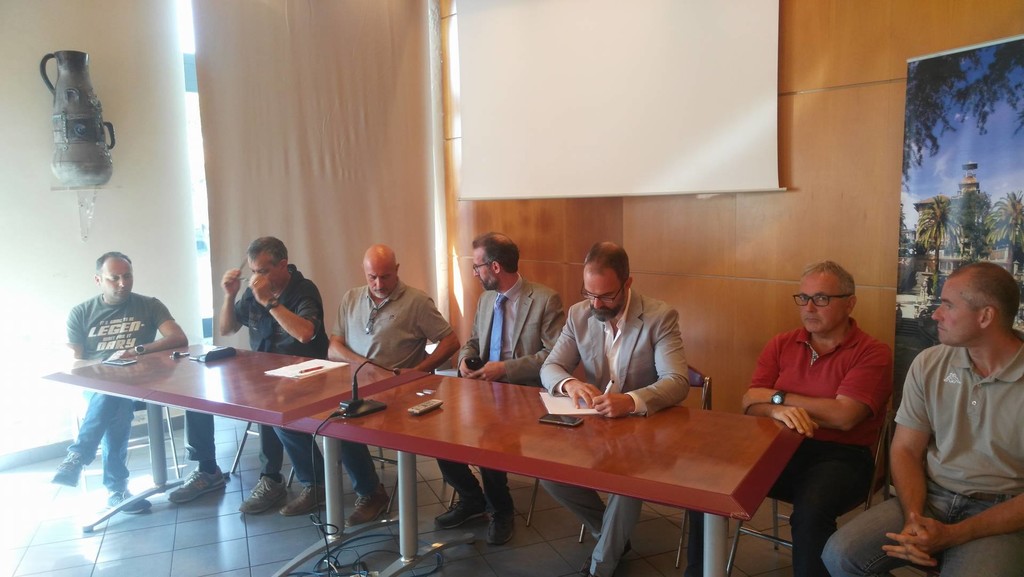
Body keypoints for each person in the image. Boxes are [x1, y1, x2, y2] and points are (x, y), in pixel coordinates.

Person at [685, 260, 892, 577]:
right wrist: (776, 409)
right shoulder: (782, 343)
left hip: (843, 456)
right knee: (706, 480)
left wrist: (779, 397)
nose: (809, 307)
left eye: (821, 298)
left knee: (810, 511)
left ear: (850, 303)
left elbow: (845, 416)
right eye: (803, 298)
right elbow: (749, 403)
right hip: (778, 445)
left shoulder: (872, 352)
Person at [823, 262, 1024, 575]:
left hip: (1001, 511)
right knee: (840, 555)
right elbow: (905, 449)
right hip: (932, 496)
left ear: (985, 316)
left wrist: (953, 534)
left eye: (948, 305)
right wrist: (914, 518)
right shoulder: (929, 363)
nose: (935, 314)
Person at [539, 242, 689, 577]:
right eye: (589, 294)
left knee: (626, 481)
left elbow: (677, 381)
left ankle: (601, 567)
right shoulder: (579, 314)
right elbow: (550, 367)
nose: (596, 304)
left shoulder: (659, 316)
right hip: (598, 427)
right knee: (548, 470)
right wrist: (570, 384)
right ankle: (611, 535)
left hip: (647, 429)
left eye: (606, 296)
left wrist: (632, 400)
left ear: (627, 283)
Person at [434, 232, 565, 545]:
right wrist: (465, 360)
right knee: (438, 432)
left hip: (523, 393)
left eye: (477, 266)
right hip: (480, 388)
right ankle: (471, 498)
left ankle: (501, 510)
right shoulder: (486, 299)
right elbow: (473, 341)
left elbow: (555, 356)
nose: (474, 273)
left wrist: (505, 368)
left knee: (489, 437)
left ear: (495, 267)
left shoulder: (544, 300)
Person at [328, 244, 460, 526]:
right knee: (334, 423)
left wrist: (417, 372)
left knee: (349, 424)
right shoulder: (351, 298)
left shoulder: (416, 302)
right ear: (364, 273)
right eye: (372, 277)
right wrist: (366, 366)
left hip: (400, 394)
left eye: (385, 276)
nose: (379, 284)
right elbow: (333, 348)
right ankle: (371, 492)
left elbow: (451, 341)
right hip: (357, 388)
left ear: (397, 270)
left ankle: (372, 493)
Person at [52, 252, 188, 514]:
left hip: (141, 380)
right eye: (114, 278)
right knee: (114, 399)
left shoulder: (149, 305)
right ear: (98, 280)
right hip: (97, 385)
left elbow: (178, 338)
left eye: (127, 276)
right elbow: (74, 359)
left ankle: (81, 458)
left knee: (115, 397)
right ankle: (115, 489)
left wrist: (137, 350)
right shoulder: (81, 312)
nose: (123, 283)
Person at [219, 237, 331, 516]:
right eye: (253, 271)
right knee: (263, 398)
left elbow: (305, 333)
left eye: (263, 271)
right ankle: (271, 480)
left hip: (308, 374)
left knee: (276, 407)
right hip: (266, 376)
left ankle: (314, 483)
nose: (257, 278)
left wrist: (269, 302)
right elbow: (227, 329)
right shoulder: (253, 291)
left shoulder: (303, 290)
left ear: (283, 265)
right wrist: (229, 295)